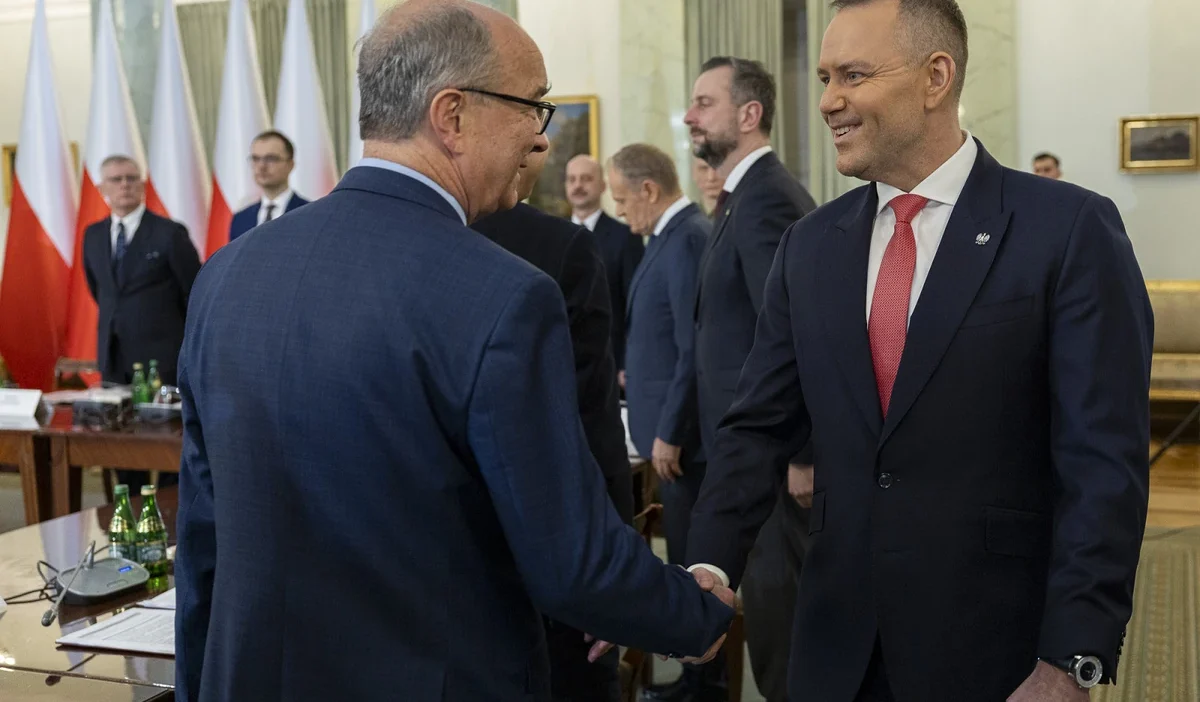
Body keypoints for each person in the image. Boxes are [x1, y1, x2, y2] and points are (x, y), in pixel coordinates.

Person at [174, 3, 735, 701]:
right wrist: (697, 613)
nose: (541, 136)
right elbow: (570, 560)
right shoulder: (503, 296)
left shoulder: (225, 275)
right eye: (532, 106)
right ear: (453, 115)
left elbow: (202, 545)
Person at [686, 1, 1153, 701]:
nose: (827, 101)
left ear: (936, 77)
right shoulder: (809, 246)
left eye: (853, 75)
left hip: (996, 654)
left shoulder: (1068, 230)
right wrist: (709, 566)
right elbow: (756, 428)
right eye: (824, 78)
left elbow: (1103, 464)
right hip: (834, 652)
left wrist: (1071, 656)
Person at [472, 144, 632, 702]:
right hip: (542, 555)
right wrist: (614, 572)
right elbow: (590, 423)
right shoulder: (561, 248)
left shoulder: (366, 241)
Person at [682, 55, 818, 702]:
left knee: (782, 630)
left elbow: (795, 333)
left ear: (749, 114)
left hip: (772, 461)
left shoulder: (766, 198)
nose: (689, 115)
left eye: (704, 102)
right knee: (770, 624)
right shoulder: (743, 197)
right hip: (750, 454)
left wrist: (802, 452)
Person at [610, 143, 708, 573]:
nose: (618, 211)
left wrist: (671, 432)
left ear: (648, 190)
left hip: (681, 444)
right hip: (666, 441)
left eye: (621, 199)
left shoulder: (687, 239)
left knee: (692, 565)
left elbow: (693, 347)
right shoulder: (667, 237)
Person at [566, 154, 645, 385]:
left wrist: (628, 361)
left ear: (602, 185)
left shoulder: (626, 236)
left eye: (586, 179)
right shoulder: (552, 235)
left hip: (610, 362)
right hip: (564, 359)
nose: (578, 185)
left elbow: (635, 304)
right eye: (572, 179)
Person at [228, 130, 310, 241]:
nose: (261, 166)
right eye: (256, 159)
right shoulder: (240, 219)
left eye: (271, 159)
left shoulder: (309, 214)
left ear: (290, 164)